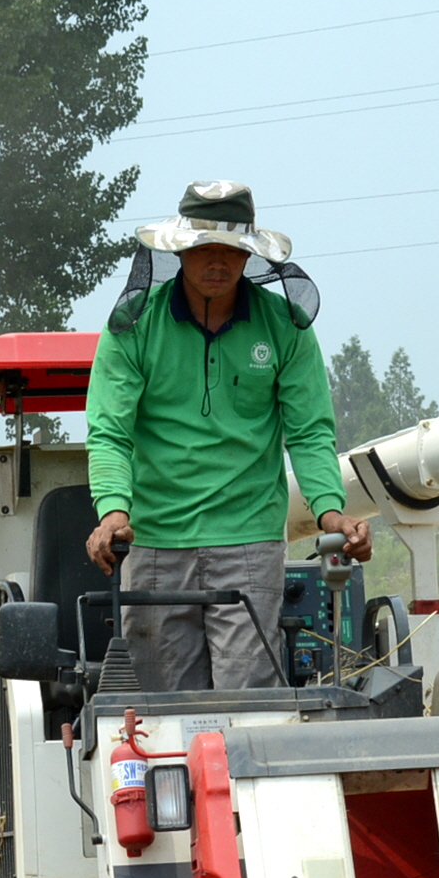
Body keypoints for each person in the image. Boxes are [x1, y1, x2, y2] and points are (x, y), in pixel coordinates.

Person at [84, 179, 373, 691]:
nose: (217, 261)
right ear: (180, 249)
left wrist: (331, 512)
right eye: (204, 248)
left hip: (249, 544)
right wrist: (113, 511)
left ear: (249, 253)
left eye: (231, 249)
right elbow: (110, 432)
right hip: (154, 543)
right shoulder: (134, 325)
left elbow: (308, 432)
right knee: (161, 710)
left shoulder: (285, 326)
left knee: (248, 707)